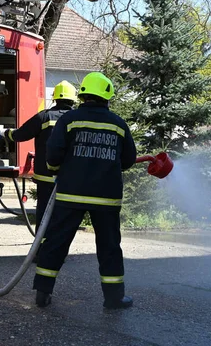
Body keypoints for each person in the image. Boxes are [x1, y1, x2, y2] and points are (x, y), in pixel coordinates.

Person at [33, 72, 137, 309]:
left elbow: (53, 153)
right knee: (109, 246)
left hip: (70, 194)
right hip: (106, 198)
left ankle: (43, 293)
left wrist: (55, 168)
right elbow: (128, 160)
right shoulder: (119, 125)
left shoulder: (69, 120)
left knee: (56, 242)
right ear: (107, 96)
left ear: (83, 95)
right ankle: (114, 297)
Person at [3, 80, 77, 235]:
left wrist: (5, 134)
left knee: (44, 215)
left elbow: (20, 135)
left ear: (55, 98)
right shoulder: (77, 118)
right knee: (63, 216)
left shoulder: (44, 116)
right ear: (73, 99)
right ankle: (58, 253)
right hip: (69, 178)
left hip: (45, 177)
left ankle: (41, 250)